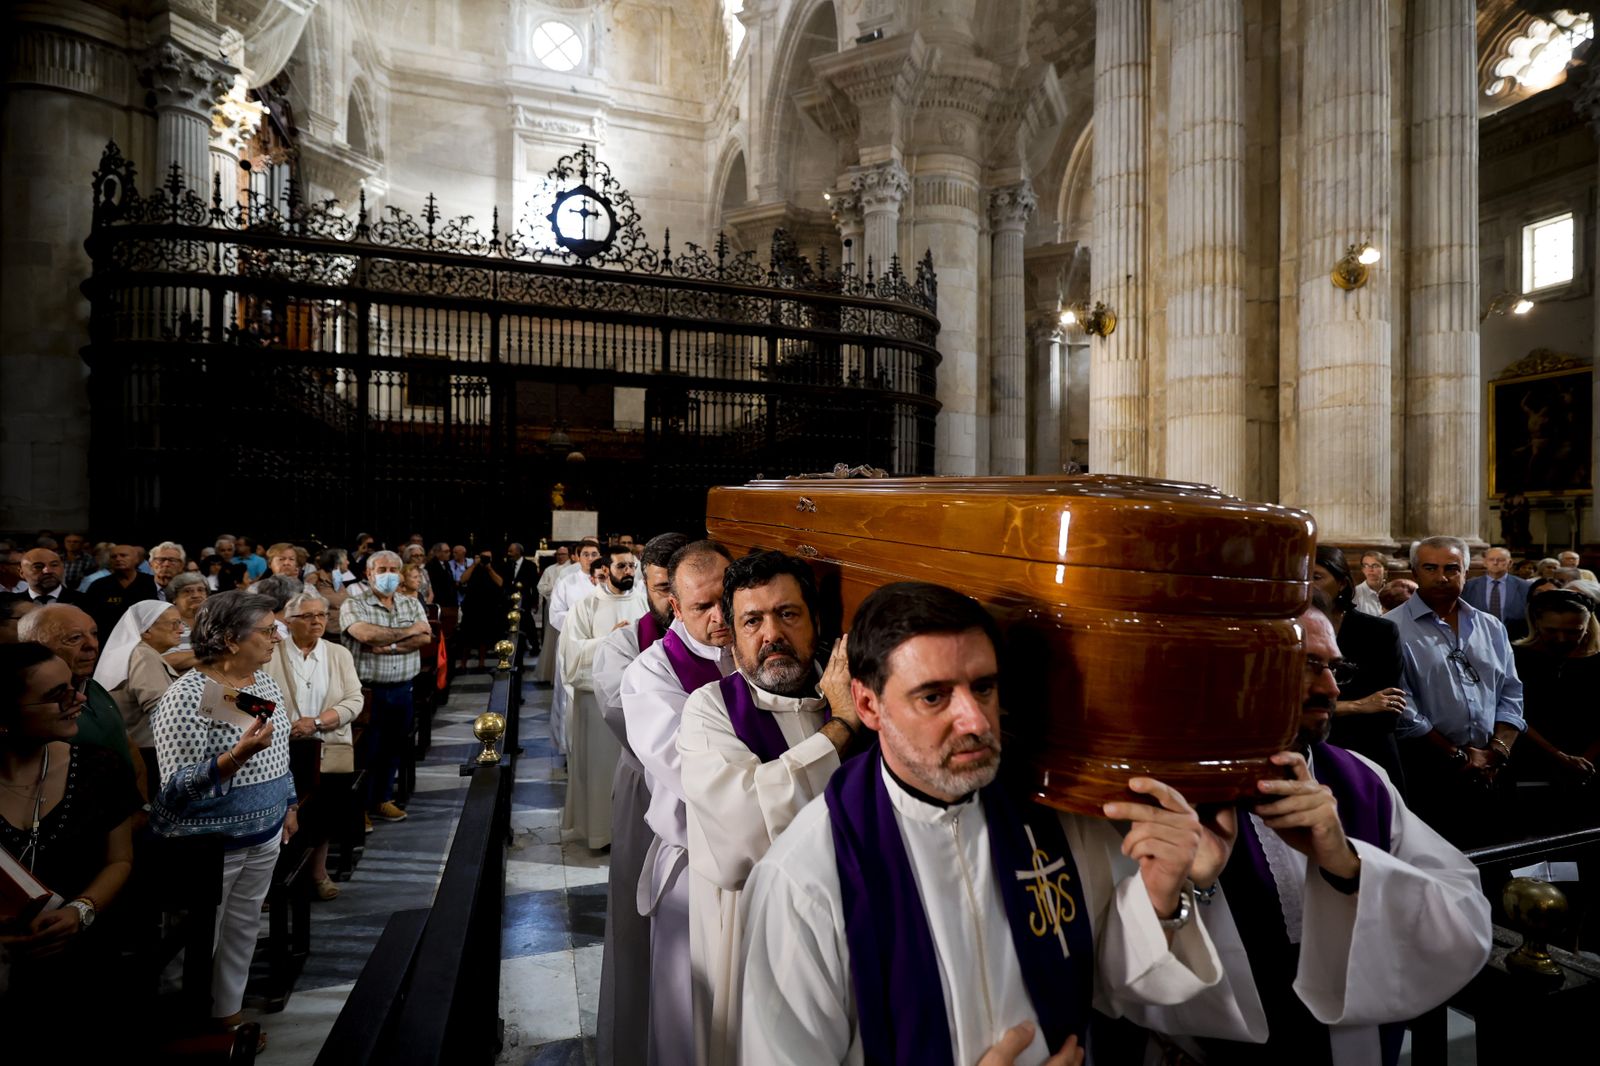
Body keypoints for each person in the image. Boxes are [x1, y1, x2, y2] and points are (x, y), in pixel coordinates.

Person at [739, 581, 1226, 1066]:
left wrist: (1159, 895)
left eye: (984, 687)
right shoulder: (805, 877)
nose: (975, 720)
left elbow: (1109, 980)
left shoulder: (1047, 816)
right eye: (934, 697)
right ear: (868, 706)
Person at [1136, 592, 1493, 1065]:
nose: (1332, 689)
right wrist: (1190, 886)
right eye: (1305, 666)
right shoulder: (1158, 791)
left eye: (1335, 669)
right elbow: (1112, 969)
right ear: (1227, 670)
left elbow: (1464, 918)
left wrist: (1347, 865)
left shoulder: (1362, 780)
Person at [678, 551, 858, 1065]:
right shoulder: (709, 709)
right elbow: (744, 831)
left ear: (816, 622)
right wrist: (841, 730)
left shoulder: (854, 693)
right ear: (732, 639)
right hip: (756, 935)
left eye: (788, 614)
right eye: (752, 621)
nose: (771, 633)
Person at [148, 591, 295, 1039]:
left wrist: (288, 803)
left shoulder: (260, 683)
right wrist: (233, 758)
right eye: (268, 631)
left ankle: (225, 1014)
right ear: (231, 639)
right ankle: (181, 1026)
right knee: (193, 939)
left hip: (264, 832)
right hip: (207, 843)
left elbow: (278, 752)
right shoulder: (187, 696)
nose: (277, 639)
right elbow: (175, 790)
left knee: (243, 926)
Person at [621, 541, 735, 1066]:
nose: (720, 618)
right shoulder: (650, 674)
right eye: (701, 607)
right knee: (691, 1020)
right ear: (676, 607)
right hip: (697, 867)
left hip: (772, 863)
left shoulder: (762, 650)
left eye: (726, 601)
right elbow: (704, 779)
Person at [0, 643, 140, 1038]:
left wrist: (81, 911)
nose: (77, 699)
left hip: (83, 959)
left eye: (72, 687)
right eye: (55, 695)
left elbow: (119, 860)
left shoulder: (99, 768)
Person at [591, 532, 687, 1066]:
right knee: (637, 922)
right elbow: (631, 726)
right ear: (646, 585)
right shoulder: (625, 645)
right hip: (647, 791)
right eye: (662, 588)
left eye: (685, 590)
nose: (672, 602)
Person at [1393, 536, 1525, 847]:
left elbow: (1510, 691)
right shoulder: (1392, 628)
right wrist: (1459, 755)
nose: (1442, 577)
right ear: (1414, 573)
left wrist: (1498, 750)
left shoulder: (1490, 626)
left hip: (1493, 766)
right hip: (1430, 768)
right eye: (1430, 568)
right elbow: (1403, 706)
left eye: (1452, 568)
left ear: (1466, 572)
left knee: (1496, 856)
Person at [266, 593, 364, 901]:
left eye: (321, 615)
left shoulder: (338, 654)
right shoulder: (272, 653)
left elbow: (354, 701)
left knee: (323, 815)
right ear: (289, 622)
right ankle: (275, 880)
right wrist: (286, 727)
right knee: (278, 816)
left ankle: (317, 873)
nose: (317, 621)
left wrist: (318, 722)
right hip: (281, 749)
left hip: (327, 746)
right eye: (307, 616)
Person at [560, 545, 645, 850]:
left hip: (636, 701)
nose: (629, 572)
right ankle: (598, 833)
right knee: (598, 770)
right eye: (622, 566)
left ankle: (630, 835)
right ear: (606, 570)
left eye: (633, 567)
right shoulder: (585, 606)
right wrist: (610, 639)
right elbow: (571, 654)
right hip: (595, 704)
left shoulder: (643, 603)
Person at [340, 550, 431, 827]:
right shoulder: (354, 604)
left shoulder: (410, 603)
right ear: (369, 574)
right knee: (367, 749)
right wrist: (408, 632)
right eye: (382, 570)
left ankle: (382, 799)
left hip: (403, 687)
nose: (388, 575)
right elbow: (365, 634)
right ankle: (361, 807)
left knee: (394, 746)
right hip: (368, 690)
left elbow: (425, 637)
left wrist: (388, 645)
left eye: (394, 569)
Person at [1309, 546, 1407, 791]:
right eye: (1301, 577)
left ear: (1342, 583)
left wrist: (1322, 711)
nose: (1307, 585)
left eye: (1316, 577)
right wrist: (1357, 705)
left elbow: (1387, 711)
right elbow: (1285, 709)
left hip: (1369, 754)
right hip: (1310, 752)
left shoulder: (1379, 632)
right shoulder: (1288, 632)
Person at [16, 605, 142, 792]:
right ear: (36, 647)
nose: (92, 644)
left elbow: (129, 747)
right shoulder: (36, 712)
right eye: (75, 638)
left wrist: (143, 805)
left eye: (94, 634)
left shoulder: (94, 687)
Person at [1509, 588, 1600, 807]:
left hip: (1592, 762)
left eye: (1572, 632)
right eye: (1551, 630)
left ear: (1586, 627)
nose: (1561, 639)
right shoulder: (1516, 657)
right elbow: (1512, 712)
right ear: (1536, 624)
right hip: (1531, 757)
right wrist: (1558, 756)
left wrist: (1586, 759)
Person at [93, 600, 183, 788]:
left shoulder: (131, 653)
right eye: (174, 624)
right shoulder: (142, 655)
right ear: (147, 630)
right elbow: (164, 709)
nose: (181, 630)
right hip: (149, 756)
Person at [549, 539, 604, 751]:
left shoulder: (605, 580)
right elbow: (555, 615)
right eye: (586, 554)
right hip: (573, 644)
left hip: (599, 644)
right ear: (577, 557)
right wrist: (580, 623)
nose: (591, 558)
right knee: (568, 695)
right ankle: (567, 745)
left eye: (594, 554)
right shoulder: (567, 582)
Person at [81, 544, 158, 638]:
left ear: (136, 559)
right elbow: (88, 616)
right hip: (107, 639)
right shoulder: (98, 586)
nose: (118, 559)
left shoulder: (151, 582)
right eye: (114, 557)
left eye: (123, 555)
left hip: (144, 638)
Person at [1463, 546, 1531, 640]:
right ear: (1485, 562)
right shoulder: (1469, 586)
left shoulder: (1525, 586)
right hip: (1478, 639)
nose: (1495, 563)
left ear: (1510, 563)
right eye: (1491, 559)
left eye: (1501, 560)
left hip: (1514, 639)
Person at [458, 547, 506, 669]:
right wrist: (474, 565)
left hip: (488, 606)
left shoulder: (494, 567)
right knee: (467, 636)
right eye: (482, 557)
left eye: (487, 557)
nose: (485, 559)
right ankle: (463, 663)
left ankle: (482, 662)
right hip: (472, 606)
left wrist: (489, 568)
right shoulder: (473, 568)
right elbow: (463, 579)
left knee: (484, 636)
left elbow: (500, 583)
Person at [535, 545, 575, 684]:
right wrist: (555, 589)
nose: (560, 556)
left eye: (563, 554)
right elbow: (541, 587)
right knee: (551, 639)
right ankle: (550, 672)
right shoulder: (549, 569)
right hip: (552, 606)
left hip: (568, 609)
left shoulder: (573, 570)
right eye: (558, 554)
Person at [308, 548, 355, 640]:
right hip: (326, 635)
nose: (348, 562)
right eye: (346, 560)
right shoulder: (315, 579)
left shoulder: (338, 580)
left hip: (343, 632)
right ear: (337, 563)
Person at [18, 548, 85, 607]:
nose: (48, 571)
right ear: (21, 572)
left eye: (54, 565)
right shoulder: (13, 604)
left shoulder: (86, 601)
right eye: (38, 567)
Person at [1351, 552, 1386, 616]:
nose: (1370, 569)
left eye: (1375, 566)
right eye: (1366, 565)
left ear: (1385, 569)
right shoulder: (1355, 593)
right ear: (1362, 569)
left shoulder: (1391, 591)